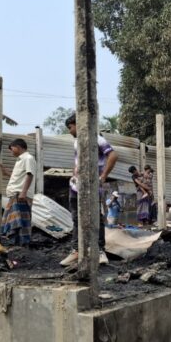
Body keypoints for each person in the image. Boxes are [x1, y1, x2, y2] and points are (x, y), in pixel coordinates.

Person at [63, 113, 118, 265]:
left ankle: (99, 251)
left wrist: (104, 175)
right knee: (76, 219)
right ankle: (77, 251)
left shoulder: (96, 139)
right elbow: (77, 162)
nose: (69, 131)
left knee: (95, 218)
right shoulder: (76, 142)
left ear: (78, 125)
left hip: (92, 187)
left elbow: (113, 155)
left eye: (70, 127)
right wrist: (74, 173)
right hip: (75, 187)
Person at [0, 138, 37, 246]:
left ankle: (24, 245)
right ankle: (17, 245)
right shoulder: (20, 160)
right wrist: (6, 172)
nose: (11, 152)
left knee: (22, 222)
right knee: (15, 222)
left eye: (12, 149)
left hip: (20, 195)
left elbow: (30, 175)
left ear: (18, 147)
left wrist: (23, 192)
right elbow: (19, 177)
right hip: (15, 195)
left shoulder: (28, 158)